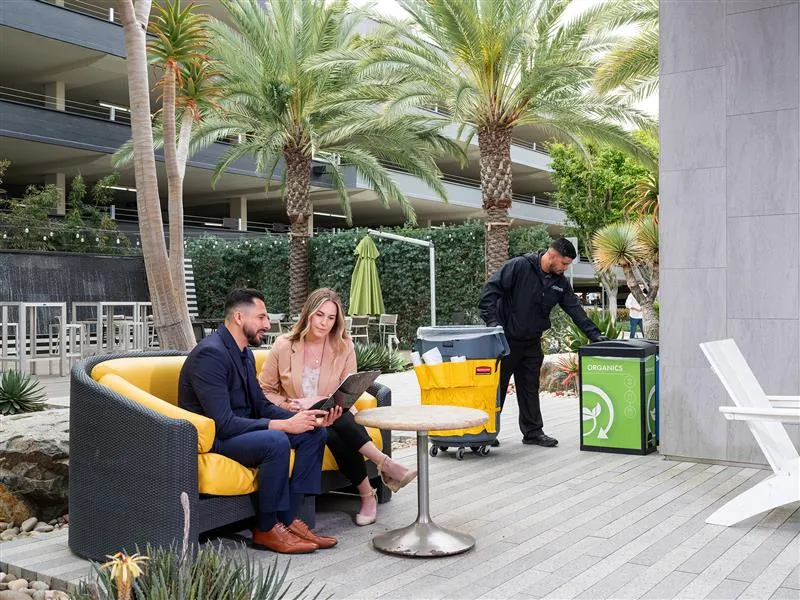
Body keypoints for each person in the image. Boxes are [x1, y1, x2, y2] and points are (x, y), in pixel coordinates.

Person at [179, 288, 342, 554]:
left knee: (314, 434)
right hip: (218, 439)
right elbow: (223, 423)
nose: (267, 324)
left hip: (243, 431)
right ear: (240, 318)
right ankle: (266, 529)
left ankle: (289, 519)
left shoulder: (243, 353)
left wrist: (303, 419)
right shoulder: (210, 355)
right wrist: (283, 425)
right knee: (275, 440)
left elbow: (262, 405)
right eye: (262, 317)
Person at [258, 288, 417, 526]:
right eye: (319, 315)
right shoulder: (284, 345)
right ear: (308, 313)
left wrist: (320, 400)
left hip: (332, 412)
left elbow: (348, 389)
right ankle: (382, 470)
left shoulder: (344, 347)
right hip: (294, 416)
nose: (324, 323)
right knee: (334, 429)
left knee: (337, 421)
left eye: (331, 318)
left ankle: (372, 490)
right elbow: (264, 390)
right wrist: (289, 404)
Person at [479, 238, 608, 447]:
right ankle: (485, 431)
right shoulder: (519, 266)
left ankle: (532, 432)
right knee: (496, 388)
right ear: (552, 255)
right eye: (564, 263)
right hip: (505, 340)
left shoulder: (560, 283)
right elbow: (490, 291)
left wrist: (596, 335)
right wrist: (493, 323)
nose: (565, 268)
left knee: (530, 387)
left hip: (531, 342)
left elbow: (575, 310)